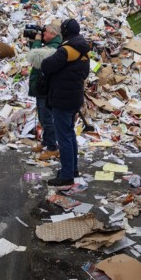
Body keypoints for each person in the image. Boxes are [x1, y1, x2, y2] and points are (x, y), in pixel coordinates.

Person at [41, 18, 90, 186]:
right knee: (69, 134)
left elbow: (47, 65)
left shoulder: (66, 50)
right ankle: (72, 169)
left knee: (63, 137)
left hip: (62, 99)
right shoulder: (83, 49)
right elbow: (84, 73)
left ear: (65, 32)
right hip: (75, 97)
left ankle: (67, 175)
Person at [27, 20, 62, 160]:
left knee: (47, 119)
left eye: (45, 31)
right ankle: (46, 142)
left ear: (53, 34)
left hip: (45, 89)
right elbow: (35, 52)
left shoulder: (54, 48)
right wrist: (33, 41)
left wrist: (36, 42)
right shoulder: (49, 45)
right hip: (42, 88)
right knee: (43, 117)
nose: (42, 33)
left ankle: (53, 148)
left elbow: (35, 58)